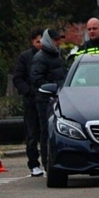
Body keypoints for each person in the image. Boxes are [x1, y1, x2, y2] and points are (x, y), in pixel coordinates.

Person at [30, 29, 67, 171]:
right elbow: (37, 79)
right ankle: (47, 163)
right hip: (45, 99)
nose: (58, 42)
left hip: (57, 97)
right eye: (55, 40)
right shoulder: (41, 58)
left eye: (59, 40)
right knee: (46, 131)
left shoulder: (57, 55)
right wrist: (53, 87)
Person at [12, 27, 44, 177]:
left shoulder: (50, 56)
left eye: (43, 41)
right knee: (32, 134)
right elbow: (18, 78)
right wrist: (29, 91)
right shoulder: (25, 57)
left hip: (46, 101)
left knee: (46, 134)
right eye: (38, 41)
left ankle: (48, 162)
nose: (40, 44)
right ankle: (33, 164)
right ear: (33, 41)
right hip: (31, 101)